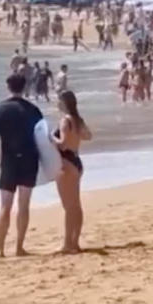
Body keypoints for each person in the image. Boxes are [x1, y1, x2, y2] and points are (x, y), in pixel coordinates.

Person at [0, 73, 44, 257]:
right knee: (24, 205)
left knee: (5, 206)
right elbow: (42, 138)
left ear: (8, 87)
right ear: (25, 88)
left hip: (9, 162)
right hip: (29, 160)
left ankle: (0, 249)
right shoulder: (33, 110)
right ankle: (19, 247)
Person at [50, 90, 92, 254]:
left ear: (64, 103)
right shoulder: (78, 119)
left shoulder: (65, 120)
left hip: (66, 163)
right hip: (76, 161)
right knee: (76, 205)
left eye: (58, 101)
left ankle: (68, 244)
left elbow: (63, 144)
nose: (57, 103)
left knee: (69, 207)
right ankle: (75, 242)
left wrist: (50, 138)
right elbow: (88, 136)